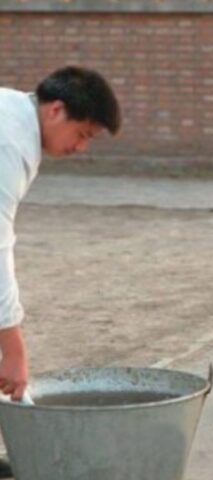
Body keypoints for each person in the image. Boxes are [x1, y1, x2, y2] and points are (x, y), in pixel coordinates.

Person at [0, 66, 121, 477]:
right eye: (83, 134)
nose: (81, 148)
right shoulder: (8, 142)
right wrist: (13, 348)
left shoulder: (13, 116)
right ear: (56, 110)